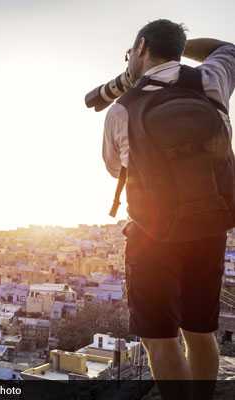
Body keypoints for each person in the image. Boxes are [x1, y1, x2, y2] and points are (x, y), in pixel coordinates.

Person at [102, 19, 235, 382]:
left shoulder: (121, 109)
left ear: (141, 48)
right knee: (201, 332)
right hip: (209, 228)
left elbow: (116, 169)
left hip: (153, 235)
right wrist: (180, 45)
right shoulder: (211, 80)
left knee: (160, 341)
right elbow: (227, 49)